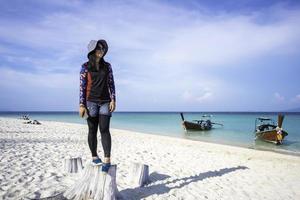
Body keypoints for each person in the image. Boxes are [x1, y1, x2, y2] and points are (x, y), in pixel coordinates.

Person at [79, 39, 116, 173]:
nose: (101, 50)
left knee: (105, 129)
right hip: (90, 102)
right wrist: (81, 104)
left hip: (105, 101)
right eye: (98, 48)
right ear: (92, 51)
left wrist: (113, 100)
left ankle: (107, 159)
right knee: (92, 130)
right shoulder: (85, 67)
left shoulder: (108, 66)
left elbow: (111, 83)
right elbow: (82, 87)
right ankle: (94, 156)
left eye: (102, 48)